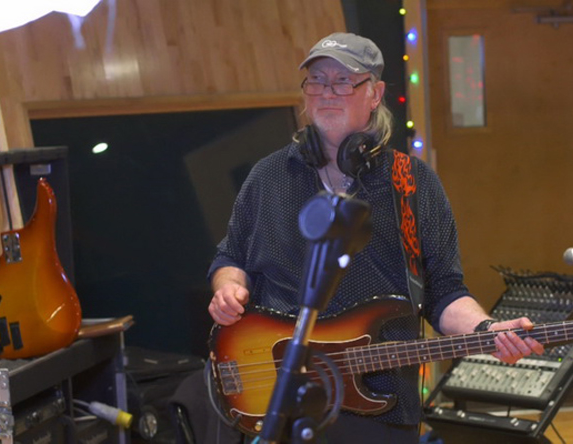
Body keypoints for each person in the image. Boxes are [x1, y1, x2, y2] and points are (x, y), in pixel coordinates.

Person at [207, 32, 545, 443]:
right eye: (317, 81)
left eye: (342, 81)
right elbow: (230, 257)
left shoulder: (412, 183)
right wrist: (228, 288)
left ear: (375, 93)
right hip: (279, 402)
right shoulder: (268, 176)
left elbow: (444, 291)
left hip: (382, 405)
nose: (327, 92)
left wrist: (487, 329)